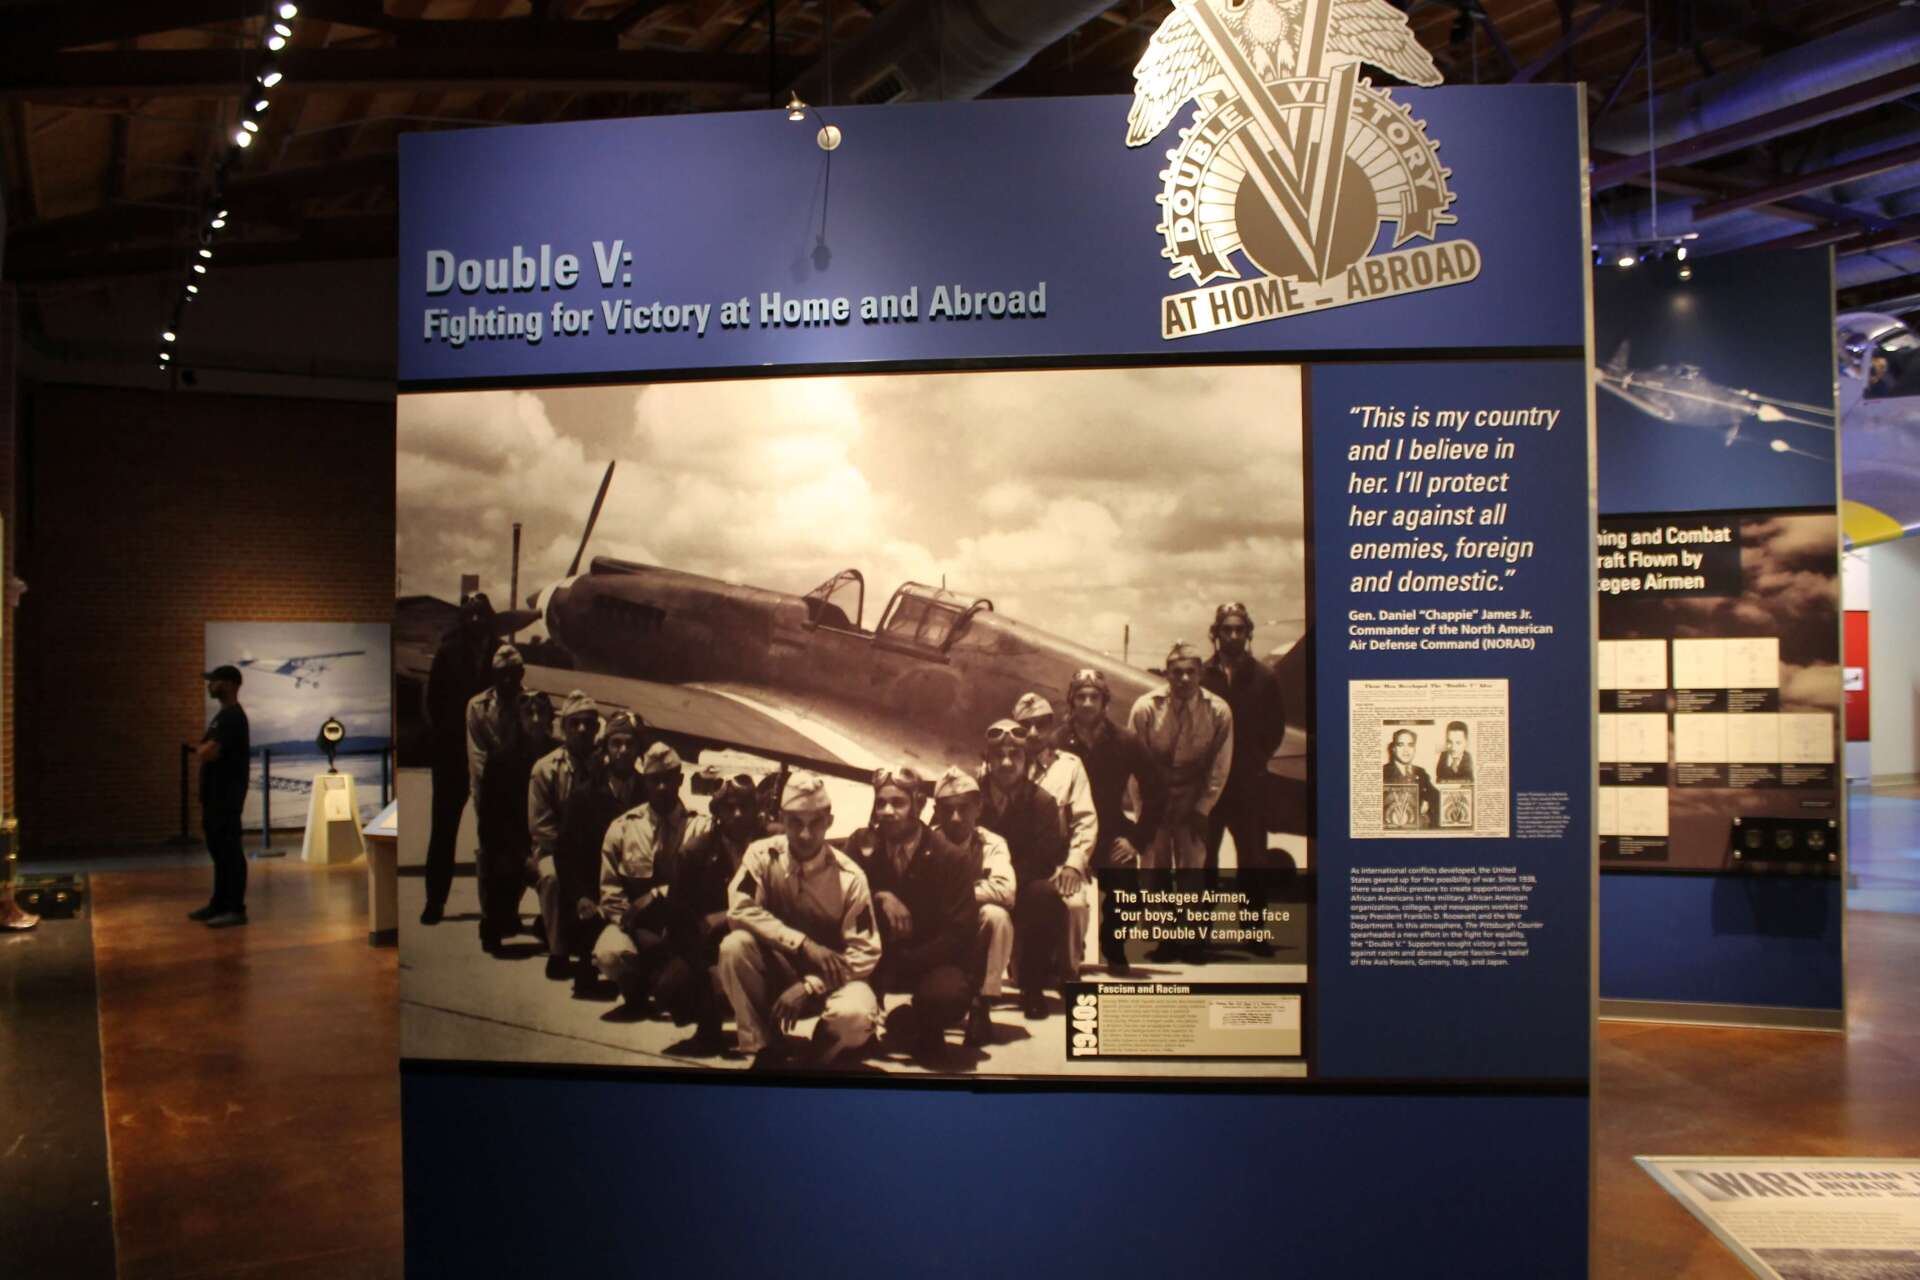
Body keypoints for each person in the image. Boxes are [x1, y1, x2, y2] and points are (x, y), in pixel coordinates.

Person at [718, 771, 880, 1069]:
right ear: (782, 818)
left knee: (855, 1018)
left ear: (829, 822)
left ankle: (824, 1046)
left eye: (815, 822)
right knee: (734, 947)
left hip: (832, 981)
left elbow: (865, 951)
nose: (805, 834)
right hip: (780, 970)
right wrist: (802, 943)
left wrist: (811, 985)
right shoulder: (761, 855)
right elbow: (739, 909)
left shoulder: (850, 877)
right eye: (795, 822)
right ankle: (765, 1047)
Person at [849, 765, 980, 1060]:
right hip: (874, 958)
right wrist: (880, 896)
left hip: (929, 961)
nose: (886, 811)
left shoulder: (951, 857)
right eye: (881, 802)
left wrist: (907, 962)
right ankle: (864, 1023)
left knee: (946, 996)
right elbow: (839, 898)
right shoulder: (861, 844)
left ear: (918, 805)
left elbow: (959, 932)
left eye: (898, 803)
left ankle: (921, 1022)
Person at [592, 743, 707, 1018]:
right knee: (609, 953)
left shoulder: (699, 827)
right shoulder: (623, 828)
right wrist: (633, 928)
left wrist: (658, 895)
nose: (662, 787)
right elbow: (611, 892)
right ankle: (637, 990)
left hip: (684, 931)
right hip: (638, 929)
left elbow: (702, 888)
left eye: (669, 779)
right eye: (655, 780)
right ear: (645, 782)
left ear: (680, 780)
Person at [657, 773, 763, 1053]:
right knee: (671, 986)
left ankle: (768, 1029)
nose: (738, 814)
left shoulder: (775, 844)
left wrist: (729, 915)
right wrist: (709, 971)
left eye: (744, 806)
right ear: (717, 812)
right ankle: (708, 1024)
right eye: (729, 807)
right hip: (709, 948)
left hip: (765, 942)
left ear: (756, 808)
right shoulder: (694, 853)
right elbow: (679, 920)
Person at [542, 710, 644, 993]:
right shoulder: (583, 797)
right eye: (616, 743)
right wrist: (581, 897)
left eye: (630, 743)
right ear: (606, 748)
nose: (623, 751)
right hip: (595, 892)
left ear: (639, 749)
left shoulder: (648, 794)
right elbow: (564, 854)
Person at [1056, 667, 1147, 974]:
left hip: (1111, 832)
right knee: (1066, 902)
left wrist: (1137, 838)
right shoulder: (1056, 742)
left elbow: (1158, 790)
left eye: (1094, 696)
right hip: (1070, 835)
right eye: (1080, 696)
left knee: (1126, 895)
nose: (1086, 703)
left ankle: (1113, 947)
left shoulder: (1126, 741)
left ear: (1104, 701)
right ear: (1071, 701)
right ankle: (1070, 949)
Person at [978, 719, 1071, 1020]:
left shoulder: (1043, 803)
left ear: (1027, 760)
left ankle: (1032, 986)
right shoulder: (969, 797)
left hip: (1021, 887)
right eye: (998, 755)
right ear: (987, 759)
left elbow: (1045, 858)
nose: (1006, 762)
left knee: (1047, 897)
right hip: (980, 885)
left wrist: (1006, 886)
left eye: (1015, 755)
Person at [421, 594, 498, 926]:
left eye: (482, 615)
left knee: (494, 835)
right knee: (443, 831)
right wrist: (447, 738)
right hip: (451, 755)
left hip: (489, 758)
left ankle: (494, 909)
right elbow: (433, 700)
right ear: (463, 619)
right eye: (471, 615)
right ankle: (434, 902)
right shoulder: (449, 652)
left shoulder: (500, 654)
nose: (477, 621)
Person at [1011, 692, 1097, 981]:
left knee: (1074, 905)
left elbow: (1085, 820)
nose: (1034, 733)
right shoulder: (1002, 766)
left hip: (1056, 865)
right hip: (1014, 867)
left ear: (1052, 727)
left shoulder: (1070, 767)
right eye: (1025, 726)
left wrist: (1074, 863)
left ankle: (1068, 970)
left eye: (1042, 725)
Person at [929, 767, 1016, 1047]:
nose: (955, 818)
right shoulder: (927, 842)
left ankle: (982, 1004)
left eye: (963, 808)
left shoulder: (991, 843)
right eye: (947, 809)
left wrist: (955, 895)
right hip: (934, 932)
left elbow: (1005, 890)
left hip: (970, 927)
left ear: (978, 808)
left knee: (997, 916)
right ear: (936, 810)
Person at [1129, 641, 1234, 873]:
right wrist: (1143, 811)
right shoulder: (1145, 708)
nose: (1184, 678)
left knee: (1193, 872)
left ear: (1201, 674)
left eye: (1190, 672)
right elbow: (1135, 766)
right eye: (1177, 672)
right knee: (1154, 871)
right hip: (1154, 799)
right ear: (1166, 674)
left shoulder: (1218, 711)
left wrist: (1202, 808)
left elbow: (1220, 766)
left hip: (1193, 798)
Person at [467, 645, 542, 951]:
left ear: (522, 674)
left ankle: (509, 909)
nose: (508, 681)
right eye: (502, 675)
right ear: (493, 675)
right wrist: (488, 793)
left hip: (524, 790)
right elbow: (477, 753)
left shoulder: (530, 703)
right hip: (491, 788)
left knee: (523, 852)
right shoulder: (477, 706)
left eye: (514, 674)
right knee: (491, 855)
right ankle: (492, 916)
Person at [530, 691, 601, 978]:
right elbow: (542, 828)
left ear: (596, 729)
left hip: (597, 851)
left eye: (588, 723)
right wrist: (573, 858)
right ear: (563, 728)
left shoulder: (605, 766)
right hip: (555, 851)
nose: (582, 729)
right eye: (575, 723)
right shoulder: (545, 770)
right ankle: (558, 953)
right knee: (552, 877)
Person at [190, 664, 251, 928]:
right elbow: (203, 748)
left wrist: (204, 749)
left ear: (228, 684)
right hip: (215, 796)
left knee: (229, 852)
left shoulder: (232, 717)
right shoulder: (221, 717)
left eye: (213, 681)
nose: (209, 685)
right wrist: (204, 748)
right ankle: (219, 903)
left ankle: (235, 909)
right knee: (218, 851)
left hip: (226, 797)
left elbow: (207, 752)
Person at [1383, 728, 1439, 829]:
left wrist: (1427, 800)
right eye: (1401, 745)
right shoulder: (1383, 773)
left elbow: (1436, 797)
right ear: (1394, 749)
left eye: (1410, 745)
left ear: (1414, 749)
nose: (1406, 750)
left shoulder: (1421, 772)